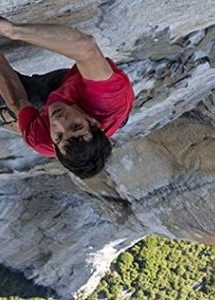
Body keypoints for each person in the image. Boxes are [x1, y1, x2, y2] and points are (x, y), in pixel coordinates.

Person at [0, 16, 134, 178]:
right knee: (43, 98)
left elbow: (17, 102)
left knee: (18, 101)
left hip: (65, 99)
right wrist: (12, 30)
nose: (59, 121)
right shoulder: (107, 99)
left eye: (58, 136)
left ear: (54, 145)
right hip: (78, 88)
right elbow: (86, 48)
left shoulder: (42, 140)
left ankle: (13, 117)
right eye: (75, 126)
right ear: (93, 122)